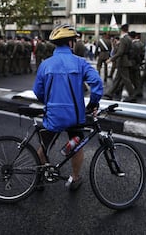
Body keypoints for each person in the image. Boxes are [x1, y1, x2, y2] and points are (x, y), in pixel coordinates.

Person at [33, 24, 103, 191]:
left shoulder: (45, 64)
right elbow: (97, 84)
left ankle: (39, 178)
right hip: (74, 116)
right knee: (77, 146)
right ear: (71, 43)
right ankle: (75, 178)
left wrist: (49, 102)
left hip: (53, 115)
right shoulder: (80, 63)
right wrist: (93, 103)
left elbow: (37, 91)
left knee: (44, 147)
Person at [104, 24, 135, 102]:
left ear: (121, 30)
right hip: (125, 60)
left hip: (122, 61)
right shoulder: (129, 38)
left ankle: (132, 95)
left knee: (126, 79)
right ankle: (109, 93)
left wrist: (111, 59)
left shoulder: (124, 39)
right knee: (117, 79)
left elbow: (120, 52)